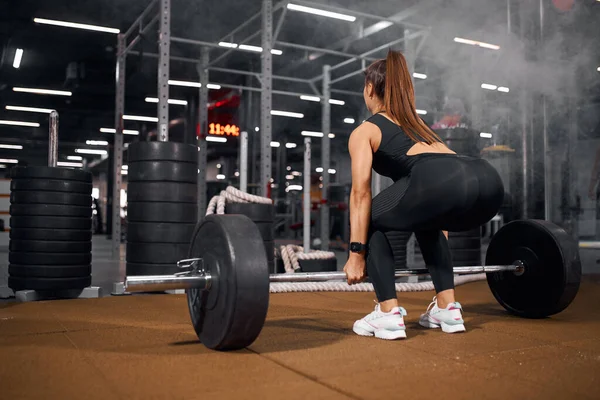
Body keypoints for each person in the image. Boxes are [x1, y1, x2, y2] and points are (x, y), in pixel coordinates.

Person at [343, 50, 504, 340]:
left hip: (438, 183)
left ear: (369, 89)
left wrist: (357, 253)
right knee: (426, 222)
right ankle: (448, 308)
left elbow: (360, 194)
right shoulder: (422, 128)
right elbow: (439, 192)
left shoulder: (365, 130)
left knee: (369, 217)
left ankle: (388, 313)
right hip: (486, 181)